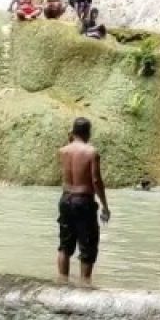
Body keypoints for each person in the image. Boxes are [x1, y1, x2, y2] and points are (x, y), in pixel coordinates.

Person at [57, 117, 111, 284]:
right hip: (83, 201)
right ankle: (85, 286)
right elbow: (96, 181)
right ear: (88, 133)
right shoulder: (91, 152)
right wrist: (105, 206)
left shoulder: (63, 151)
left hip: (65, 199)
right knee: (87, 246)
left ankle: (62, 283)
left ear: (73, 132)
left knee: (65, 245)